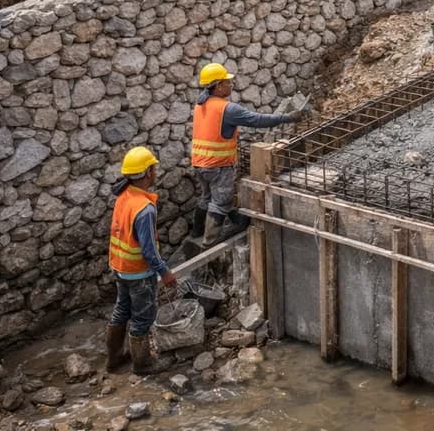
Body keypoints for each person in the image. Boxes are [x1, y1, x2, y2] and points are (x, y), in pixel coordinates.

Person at [191, 63, 308, 246]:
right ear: (218, 86)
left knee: (206, 197)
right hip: (218, 165)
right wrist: (288, 117)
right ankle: (209, 243)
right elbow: (257, 120)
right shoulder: (227, 109)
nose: (232, 85)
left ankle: (196, 232)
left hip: (199, 163)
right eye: (228, 82)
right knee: (221, 201)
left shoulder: (201, 104)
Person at [106, 146, 176, 375]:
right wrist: (164, 272)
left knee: (121, 310)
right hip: (138, 272)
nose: (155, 172)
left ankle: (115, 358)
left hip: (120, 267)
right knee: (142, 317)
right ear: (147, 173)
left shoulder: (124, 196)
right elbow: (148, 251)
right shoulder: (144, 209)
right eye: (153, 169)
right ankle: (143, 364)